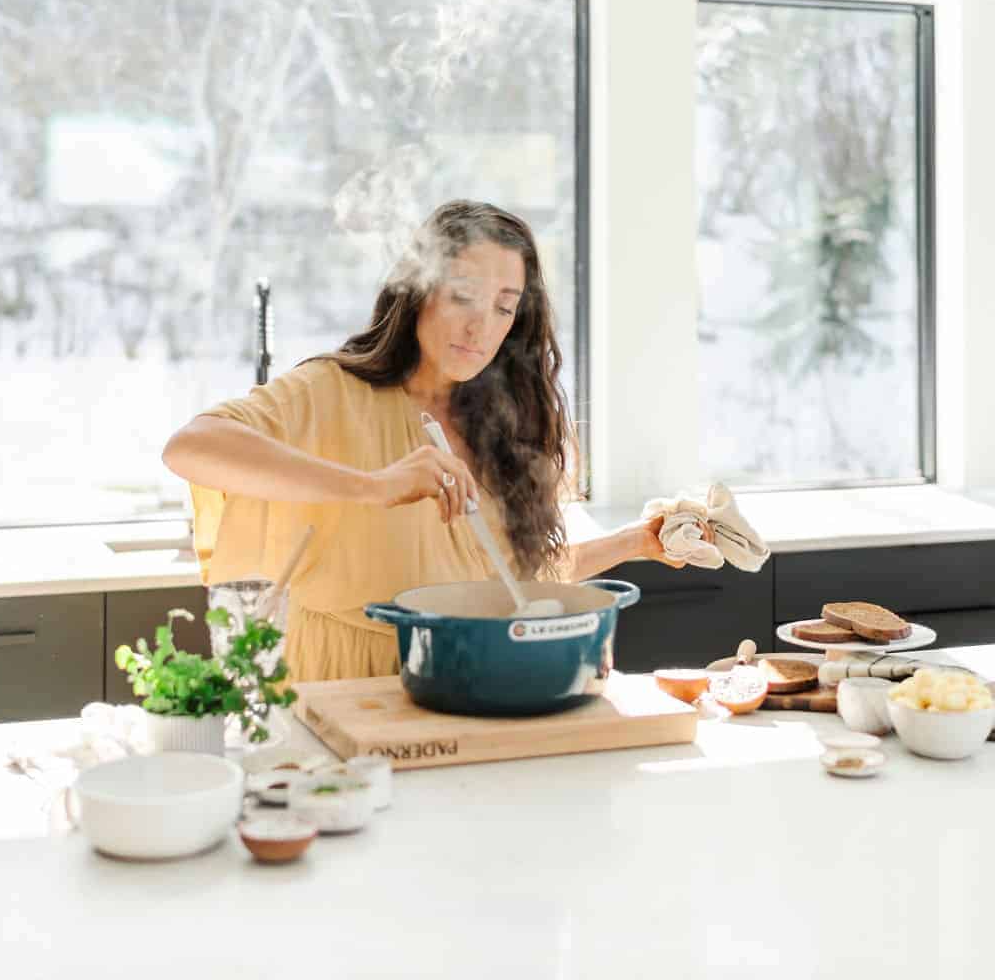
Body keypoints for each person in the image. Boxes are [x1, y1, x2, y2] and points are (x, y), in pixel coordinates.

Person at [163, 200, 693, 684]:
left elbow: (508, 583)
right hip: (344, 686)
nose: (480, 326)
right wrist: (373, 486)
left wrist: (637, 541)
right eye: (462, 295)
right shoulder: (331, 392)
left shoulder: (504, 427)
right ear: (417, 290)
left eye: (504, 308)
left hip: (465, 679)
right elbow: (192, 446)